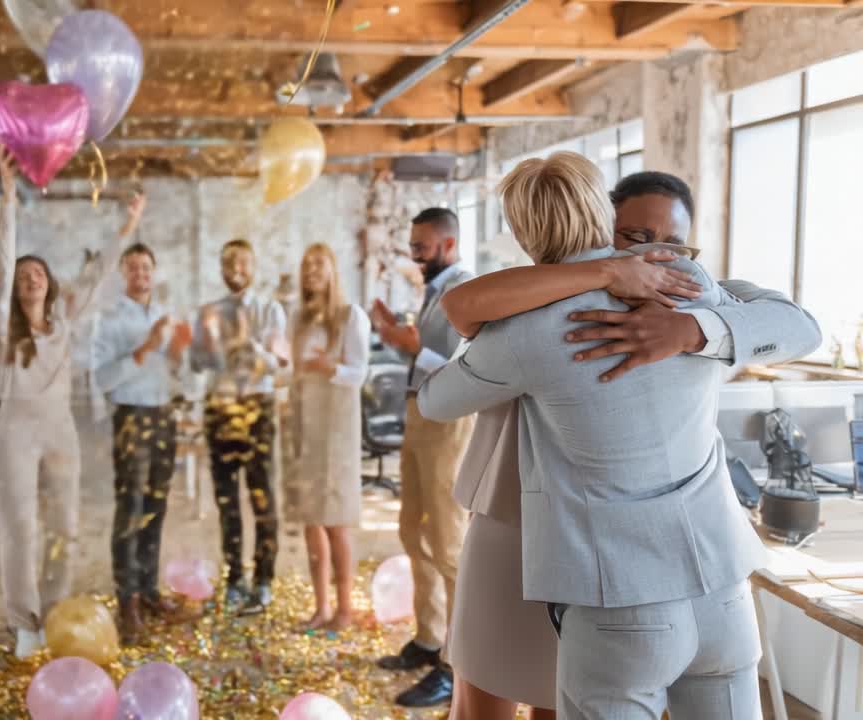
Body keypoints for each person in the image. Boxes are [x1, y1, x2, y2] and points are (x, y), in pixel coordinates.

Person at [417, 152, 799, 719]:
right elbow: (462, 304)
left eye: (673, 240)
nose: (659, 249)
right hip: (708, 579)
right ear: (605, 213)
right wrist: (658, 301)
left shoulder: (528, 327)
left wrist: (689, 332)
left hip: (606, 578)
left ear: (521, 228)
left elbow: (436, 398)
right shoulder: (690, 286)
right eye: (641, 234)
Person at [0, 148, 146, 657]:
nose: (32, 275)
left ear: (50, 283)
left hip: (59, 430)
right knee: (21, 530)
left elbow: (97, 275)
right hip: (14, 432)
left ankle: (54, 610)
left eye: (39, 271)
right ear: (13, 286)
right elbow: (2, 256)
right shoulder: (0, 328)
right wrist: (9, 197)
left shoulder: (62, 324)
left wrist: (127, 227)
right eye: (24, 272)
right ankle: (23, 622)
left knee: (66, 527)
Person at [369, 207, 473, 708]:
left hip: (449, 425)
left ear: (448, 245)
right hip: (418, 416)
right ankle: (429, 638)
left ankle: (456, 664)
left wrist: (413, 349)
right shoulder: (433, 292)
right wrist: (397, 337)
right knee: (413, 531)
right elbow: (426, 352)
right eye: (411, 244)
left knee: (449, 543)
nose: (413, 254)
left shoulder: (465, 292)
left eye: (422, 246)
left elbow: (468, 366)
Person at [91, 241, 193, 643]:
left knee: (156, 506)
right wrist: (146, 348)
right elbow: (101, 380)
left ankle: (149, 591)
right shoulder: (109, 320)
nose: (140, 274)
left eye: (146, 267)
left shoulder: (166, 317)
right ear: (123, 274)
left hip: (163, 415)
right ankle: (127, 600)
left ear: (154, 273)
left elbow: (178, 375)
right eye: (132, 268)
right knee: (130, 509)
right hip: (131, 417)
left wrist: (180, 354)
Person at [191, 238, 287, 614]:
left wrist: (247, 343)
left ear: (254, 266)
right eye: (229, 261)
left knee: (263, 497)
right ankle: (235, 578)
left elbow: (279, 363)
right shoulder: (208, 313)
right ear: (220, 268)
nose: (237, 268)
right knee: (227, 499)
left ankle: (263, 579)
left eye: (243, 261)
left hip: (258, 407)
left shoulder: (270, 311)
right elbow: (198, 364)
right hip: (220, 408)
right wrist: (211, 347)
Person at [286, 243, 369, 630]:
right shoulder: (299, 320)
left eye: (319, 263)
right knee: (310, 521)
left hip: (337, 431)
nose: (311, 271)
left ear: (333, 270)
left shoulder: (351, 317)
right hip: (307, 427)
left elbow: (359, 374)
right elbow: (295, 373)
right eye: (306, 265)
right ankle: (320, 607)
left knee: (335, 522)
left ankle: (345, 609)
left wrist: (327, 365)